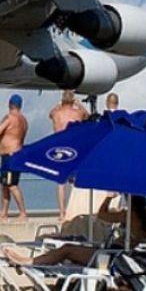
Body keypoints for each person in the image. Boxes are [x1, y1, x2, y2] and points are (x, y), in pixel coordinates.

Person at [2, 194, 146, 266]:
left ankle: (28, 261)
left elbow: (102, 215)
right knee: (68, 250)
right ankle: (30, 261)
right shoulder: (142, 217)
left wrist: (108, 198)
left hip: (112, 258)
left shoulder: (129, 214)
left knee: (67, 250)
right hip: (115, 255)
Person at [49, 90, 88, 220]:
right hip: (73, 148)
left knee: (60, 183)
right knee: (74, 182)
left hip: (59, 148)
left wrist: (58, 104)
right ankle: (73, 210)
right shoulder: (77, 113)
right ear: (72, 102)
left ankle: (61, 212)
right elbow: (87, 115)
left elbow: (50, 114)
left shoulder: (56, 113)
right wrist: (79, 104)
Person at [0, 94, 29, 222]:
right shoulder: (23, 120)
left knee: (12, 184)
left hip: (10, 155)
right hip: (14, 154)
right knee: (4, 184)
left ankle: (23, 213)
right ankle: (3, 213)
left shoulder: (11, 117)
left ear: (10, 104)